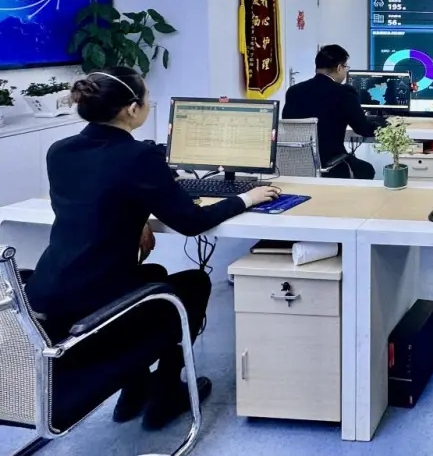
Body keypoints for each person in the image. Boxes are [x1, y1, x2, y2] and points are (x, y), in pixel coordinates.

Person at [25, 68, 281, 430]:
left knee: (155, 274)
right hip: (97, 313)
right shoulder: (138, 157)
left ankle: (135, 387)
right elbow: (190, 222)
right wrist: (246, 198)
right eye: (146, 98)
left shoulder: (60, 151)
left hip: (51, 301)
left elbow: (95, 203)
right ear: (132, 109)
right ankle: (167, 391)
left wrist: (139, 214)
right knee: (194, 284)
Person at [282, 44, 376, 179]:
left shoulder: (294, 91)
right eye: (345, 67)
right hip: (332, 164)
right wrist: (385, 124)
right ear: (339, 68)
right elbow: (364, 129)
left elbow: (289, 127)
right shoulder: (344, 92)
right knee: (367, 169)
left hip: (299, 164)